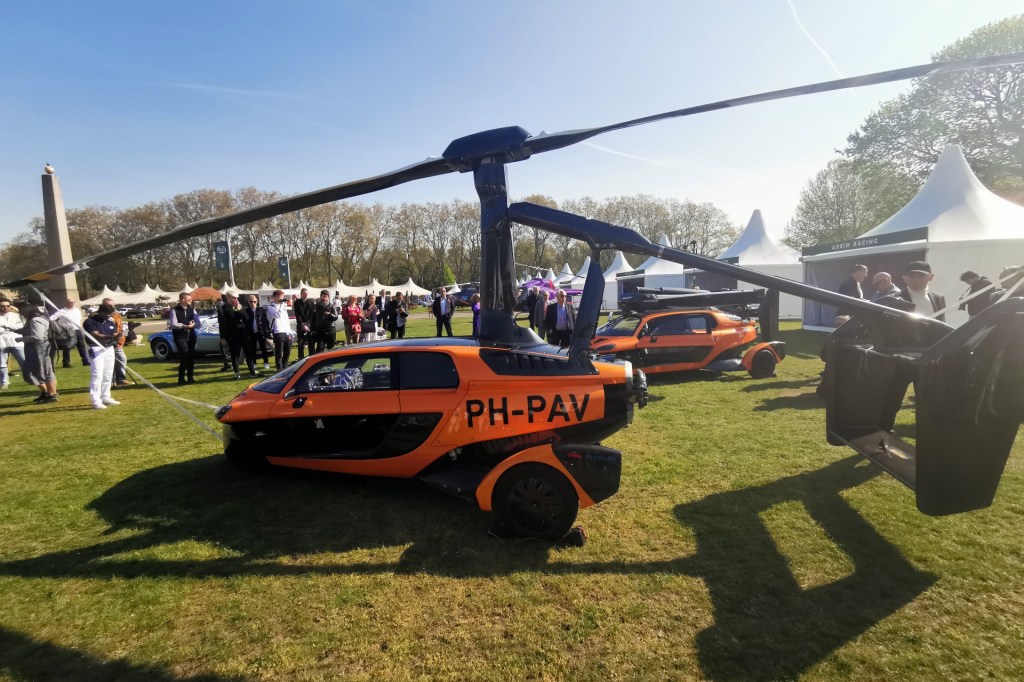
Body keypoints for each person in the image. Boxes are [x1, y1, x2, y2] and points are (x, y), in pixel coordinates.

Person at [13, 301, 58, 403]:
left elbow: (37, 336)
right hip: (35, 348)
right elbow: (32, 332)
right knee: (31, 371)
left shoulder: (36, 320)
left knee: (45, 371)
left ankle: (52, 394)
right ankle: (46, 392)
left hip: (40, 348)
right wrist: (16, 330)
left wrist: (20, 339)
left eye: (21, 311)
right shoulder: (35, 319)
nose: (21, 314)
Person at [83, 303, 121, 409]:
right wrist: (110, 336)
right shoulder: (90, 322)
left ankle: (106, 396)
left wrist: (118, 336)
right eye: (107, 314)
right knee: (97, 375)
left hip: (109, 348)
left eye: (110, 314)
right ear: (101, 312)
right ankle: (96, 400)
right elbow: (95, 335)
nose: (108, 316)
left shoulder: (110, 322)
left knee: (108, 374)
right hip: (95, 348)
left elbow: (114, 334)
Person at [169, 292, 200, 385]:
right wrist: (185, 326)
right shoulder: (174, 310)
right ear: (183, 300)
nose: (191, 300)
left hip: (191, 335)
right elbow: (173, 324)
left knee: (191, 356)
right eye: (189, 299)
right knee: (184, 355)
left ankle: (190, 377)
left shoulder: (192, 310)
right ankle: (181, 379)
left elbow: (198, 322)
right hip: (180, 336)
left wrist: (193, 325)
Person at [48, 298, 89, 368]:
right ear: (66, 303)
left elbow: (79, 320)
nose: (72, 304)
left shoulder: (77, 310)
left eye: (73, 303)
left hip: (78, 330)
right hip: (68, 331)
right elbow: (51, 318)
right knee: (67, 347)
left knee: (81, 346)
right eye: (70, 303)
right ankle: (66, 363)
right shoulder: (61, 311)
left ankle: (85, 360)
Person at [218, 292, 247, 378]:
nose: (236, 299)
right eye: (234, 297)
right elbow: (221, 324)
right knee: (235, 354)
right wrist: (222, 337)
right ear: (228, 297)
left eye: (237, 298)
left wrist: (239, 309)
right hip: (231, 335)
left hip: (243, 333)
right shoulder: (222, 308)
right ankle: (237, 372)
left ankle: (252, 370)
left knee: (248, 352)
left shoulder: (240, 306)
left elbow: (245, 318)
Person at [0, 297, 27, 389]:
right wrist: (11, 327)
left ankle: (29, 378)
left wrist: (6, 326)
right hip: (2, 342)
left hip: (16, 341)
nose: (5, 308)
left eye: (8, 306)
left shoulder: (16, 315)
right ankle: (4, 382)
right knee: (2, 364)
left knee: (23, 361)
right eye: (3, 306)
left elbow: (20, 326)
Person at [102, 297, 129, 385]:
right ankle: (110, 381)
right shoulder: (100, 317)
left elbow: (120, 329)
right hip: (106, 343)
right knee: (109, 362)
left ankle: (120, 379)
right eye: (110, 305)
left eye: (113, 305)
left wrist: (120, 342)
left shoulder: (117, 315)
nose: (113, 307)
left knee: (122, 358)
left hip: (117, 343)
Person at [241, 295, 269, 377]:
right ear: (248, 302)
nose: (253, 303)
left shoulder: (261, 310)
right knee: (252, 349)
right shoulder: (246, 310)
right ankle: (254, 363)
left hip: (260, 331)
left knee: (263, 347)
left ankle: (266, 362)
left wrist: (266, 331)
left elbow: (265, 321)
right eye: (251, 301)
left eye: (254, 301)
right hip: (251, 332)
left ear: (257, 301)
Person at [265, 289, 292, 372]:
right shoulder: (270, 307)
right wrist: (281, 304)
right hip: (278, 331)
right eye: (279, 297)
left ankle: (284, 365)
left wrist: (290, 331)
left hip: (286, 331)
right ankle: (279, 368)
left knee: (288, 350)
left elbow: (286, 319)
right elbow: (278, 315)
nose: (281, 298)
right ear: (274, 297)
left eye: (282, 296)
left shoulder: (283, 306)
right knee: (279, 352)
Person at [293, 287, 316, 359]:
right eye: (304, 294)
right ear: (301, 294)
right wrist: (302, 324)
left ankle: (312, 357)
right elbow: (297, 314)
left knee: (311, 343)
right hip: (300, 325)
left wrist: (307, 324)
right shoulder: (297, 303)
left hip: (310, 325)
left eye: (307, 294)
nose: (306, 295)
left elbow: (311, 314)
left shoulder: (311, 302)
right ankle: (300, 358)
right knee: (300, 344)